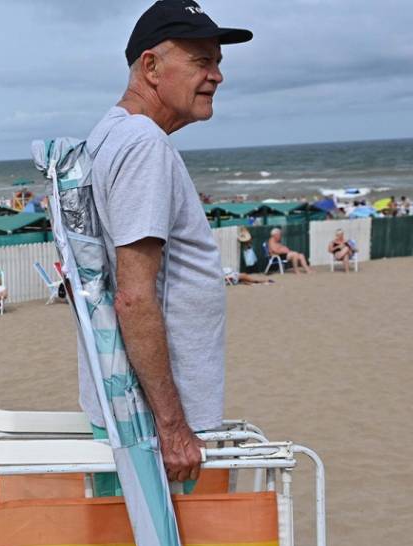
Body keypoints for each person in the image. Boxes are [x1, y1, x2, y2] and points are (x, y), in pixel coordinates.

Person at [83, 0, 252, 484]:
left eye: (218, 62)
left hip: (128, 412)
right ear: (151, 67)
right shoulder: (143, 145)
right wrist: (174, 428)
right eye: (202, 61)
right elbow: (133, 297)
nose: (217, 76)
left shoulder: (107, 136)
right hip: (155, 430)